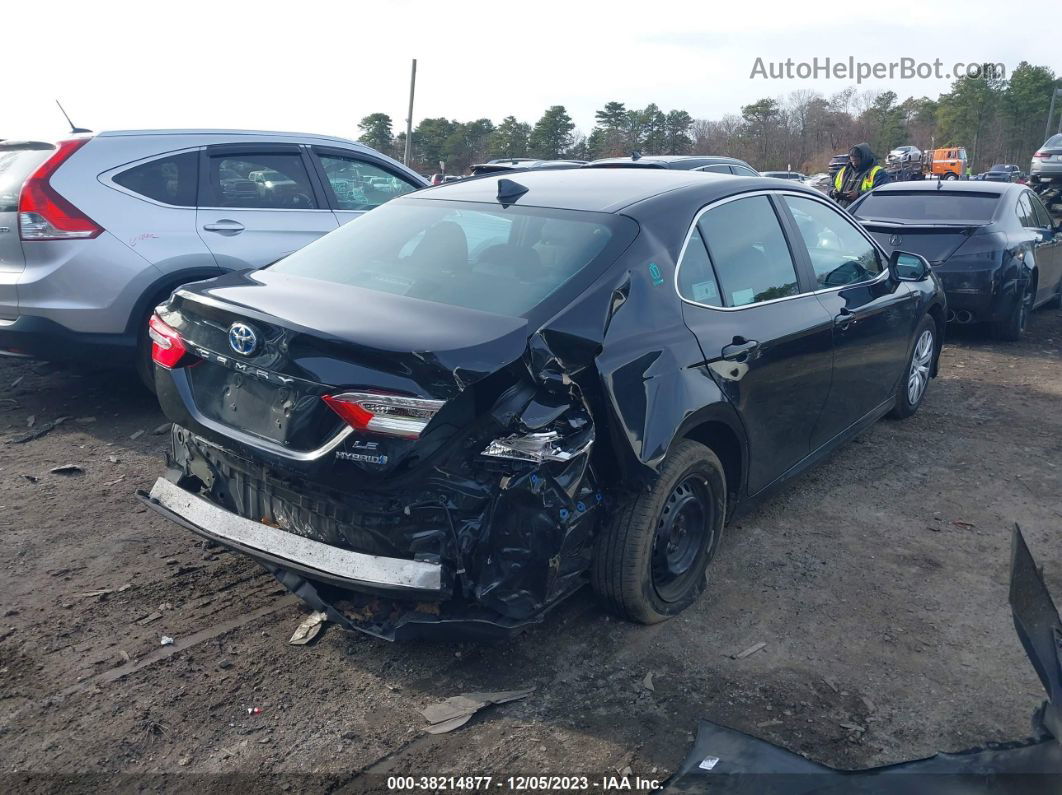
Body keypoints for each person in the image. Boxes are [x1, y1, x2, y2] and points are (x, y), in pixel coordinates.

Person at [830, 143, 890, 208]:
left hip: (863, 212)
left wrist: (859, 195)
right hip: (842, 211)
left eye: (857, 160)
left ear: (864, 158)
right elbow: (831, 186)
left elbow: (881, 194)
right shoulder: (844, 171)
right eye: (852, 161)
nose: (854, 164)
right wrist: (833, 192)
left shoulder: (878, 172)